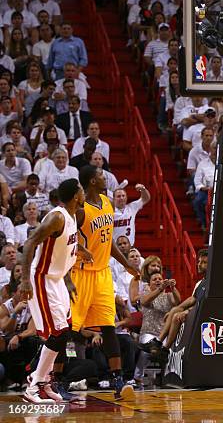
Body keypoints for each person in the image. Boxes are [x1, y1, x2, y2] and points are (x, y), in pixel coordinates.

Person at [70, 165, 140, 400]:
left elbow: (108, 242)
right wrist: (80, 249)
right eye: (100, 175)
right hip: (80, 275)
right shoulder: (80, 211)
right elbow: (64, 239)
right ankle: (54, 380)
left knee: (109, 328)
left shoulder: (107, 203)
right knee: (67, 330)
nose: (105, 177)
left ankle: (118, 380)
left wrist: (126, 264)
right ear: (91, 181)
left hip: (102, 275)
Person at [20, 179, 85, 403]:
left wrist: (69, 274)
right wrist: (24, 281)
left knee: (61, 333)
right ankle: (33, 385)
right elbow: (29, 243)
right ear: (76, 195)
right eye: (82, 190)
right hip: (42, 278)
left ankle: (44, 382)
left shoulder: (74, 215)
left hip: (57, 281)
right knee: (58, 334)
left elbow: (65, 247)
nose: (84, 193)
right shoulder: (56, 217)